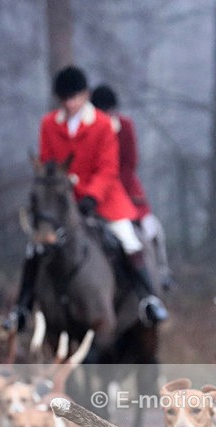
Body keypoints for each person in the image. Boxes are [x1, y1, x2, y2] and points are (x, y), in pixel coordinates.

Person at [7, 65, 167, 332]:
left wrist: (91, 196)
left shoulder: (103, 124)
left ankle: (149, 300)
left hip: (104, 199)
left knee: (128, 239)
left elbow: (108, 169)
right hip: (61, 203)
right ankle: (21, 309)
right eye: (65, 98)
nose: (70, 103)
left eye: (75, 97)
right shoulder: (48, 124)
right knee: (34, 247)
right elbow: (49, 165)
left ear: (85, 95)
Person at [90, 84, 171, 289]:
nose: (106, 115)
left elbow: (130, 162)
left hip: (126, 190)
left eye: (108, 111)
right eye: (102, 111)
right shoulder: (91, 129)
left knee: (153, 230)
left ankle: (162, 273)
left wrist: (118, 186)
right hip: (97, 191)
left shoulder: (125, 126)